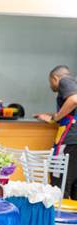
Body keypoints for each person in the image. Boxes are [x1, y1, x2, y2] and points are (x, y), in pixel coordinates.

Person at [35, 65, 77, 197]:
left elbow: (74, 100)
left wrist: (55, 117)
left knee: (58, 182)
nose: (51, 86)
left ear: (55, 78)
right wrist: (51, 116)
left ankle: (57, 209)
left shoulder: (65, 80)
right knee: (73, 184)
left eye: (50, 82)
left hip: (70, 140)